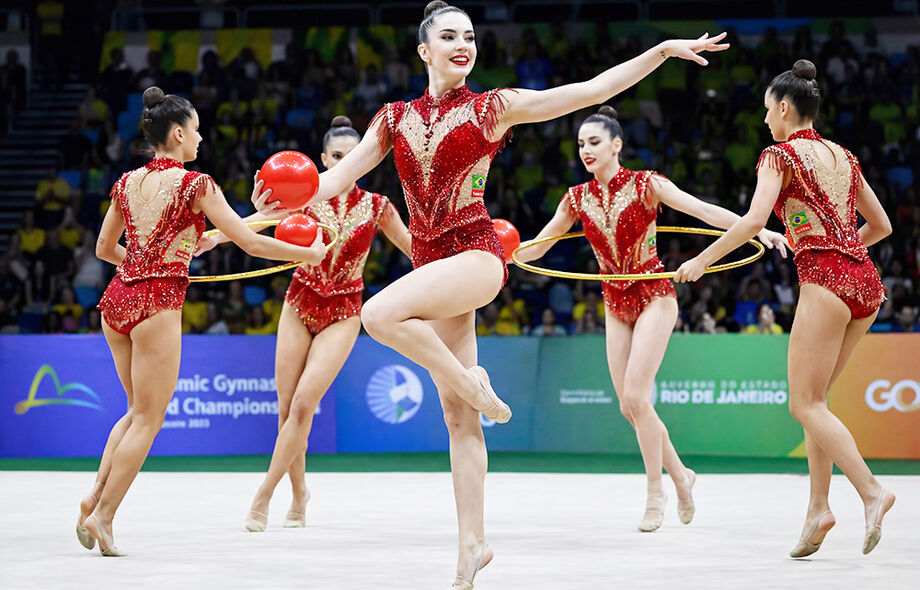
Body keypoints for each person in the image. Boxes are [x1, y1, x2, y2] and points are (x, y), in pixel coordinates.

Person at [254, 3, 728, 586]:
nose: (462, 44)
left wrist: (659, 52)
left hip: (477, 256)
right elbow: (332, 180)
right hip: (433, 271)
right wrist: (290, 199)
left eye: (470, 36)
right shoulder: (392, 118)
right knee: (459, 423)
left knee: (377, 312)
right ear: (423, 50)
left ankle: (470, 382)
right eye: (448, 36)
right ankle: (471, 545)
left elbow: (586, 91)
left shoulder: (492, 107)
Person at [76, 86, 326, 556]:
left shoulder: (126, 182)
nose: (201, 137)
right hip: (155, 305)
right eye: (195, 130)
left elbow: (105, 250)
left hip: (117, 303)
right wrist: (306, 253)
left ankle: (94, 495)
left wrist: (160, 258)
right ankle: (104, 516)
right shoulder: (197, 185)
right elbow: (251, 247)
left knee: (133, 413)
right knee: (149, 419)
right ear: (177, 133)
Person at [516, 105, 788, 532]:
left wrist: (762, 230)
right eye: (581, 144)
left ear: (617, 145)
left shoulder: (648, 184)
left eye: (595, 142)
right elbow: (538, 247)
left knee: (637, 397)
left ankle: (655, 492)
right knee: (629, 405)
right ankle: (682, 475)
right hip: (614, 302)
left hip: (655, 296)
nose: (586, 150)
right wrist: (499, 251)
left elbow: (706, 213)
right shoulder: (575, 198)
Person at [674, 60, 895, 557]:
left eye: (767, 110)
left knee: (803, 404)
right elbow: (880, 225)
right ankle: (818, 510)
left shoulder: (778, 156)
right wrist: (845, 252)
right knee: (818, 403)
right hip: (865, 283)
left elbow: (754, 220)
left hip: (825, 281)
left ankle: (872, 491)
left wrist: (701, 262)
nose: (764, 120)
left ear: (784, 107)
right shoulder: (844, 155)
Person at [200, 116, 411, 531]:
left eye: (352, 157)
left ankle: (264, 494)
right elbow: (257, 224)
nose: (343, 163)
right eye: (336, 156)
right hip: (300, 302)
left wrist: (461, 262)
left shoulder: (379, 207)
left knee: (303, 405)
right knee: (285, 408)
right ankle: (299, 493)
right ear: (323, 159)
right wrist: (216, 238)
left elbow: (412, 248)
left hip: (344, 310)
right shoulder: (306, 196)